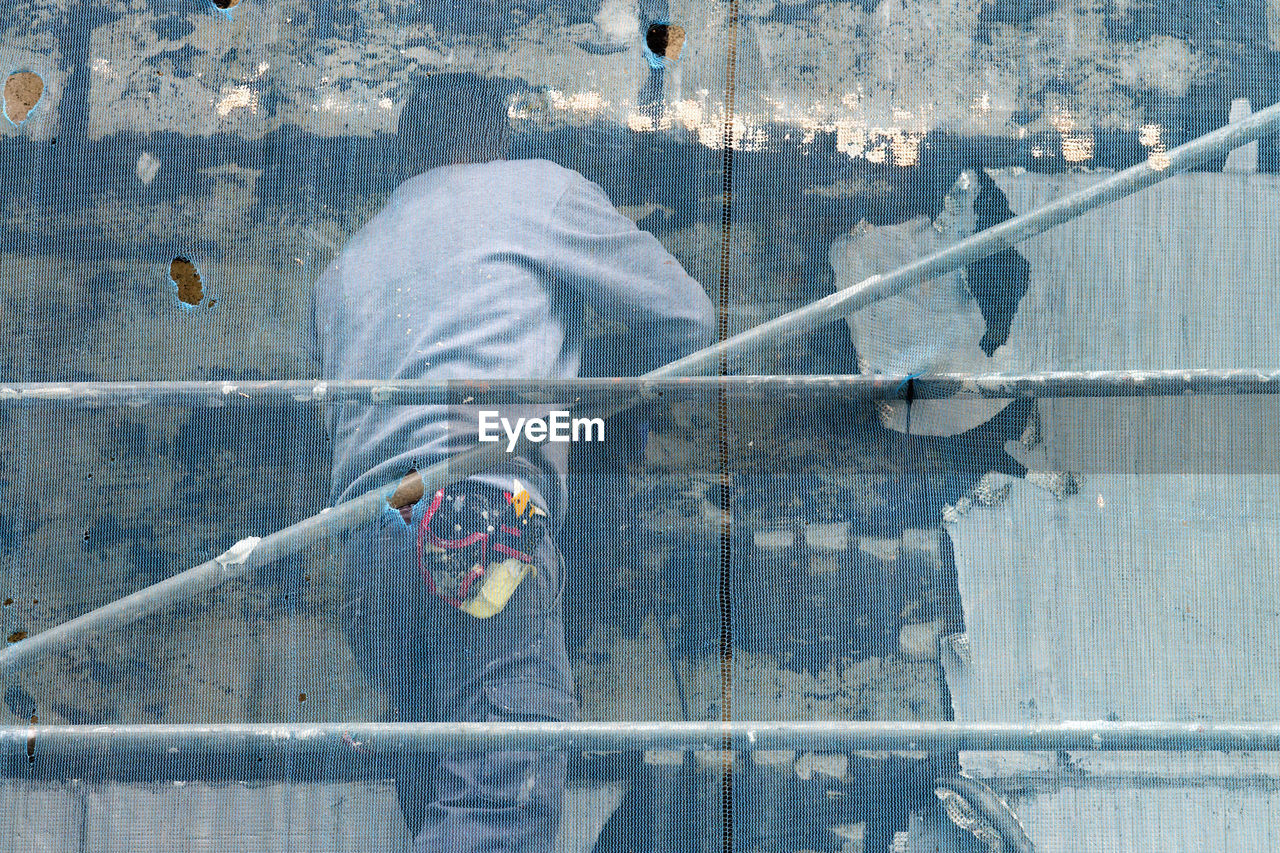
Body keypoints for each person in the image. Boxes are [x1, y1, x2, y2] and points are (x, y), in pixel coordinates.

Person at [310, 72, 716, 853]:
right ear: (496, 141)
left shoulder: (344, 271)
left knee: (440, 794)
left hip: (369, 552)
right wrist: (594, 404)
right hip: (479, 515)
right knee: (503, 794)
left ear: (408, 156)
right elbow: (686, 316)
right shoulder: (534, 190)